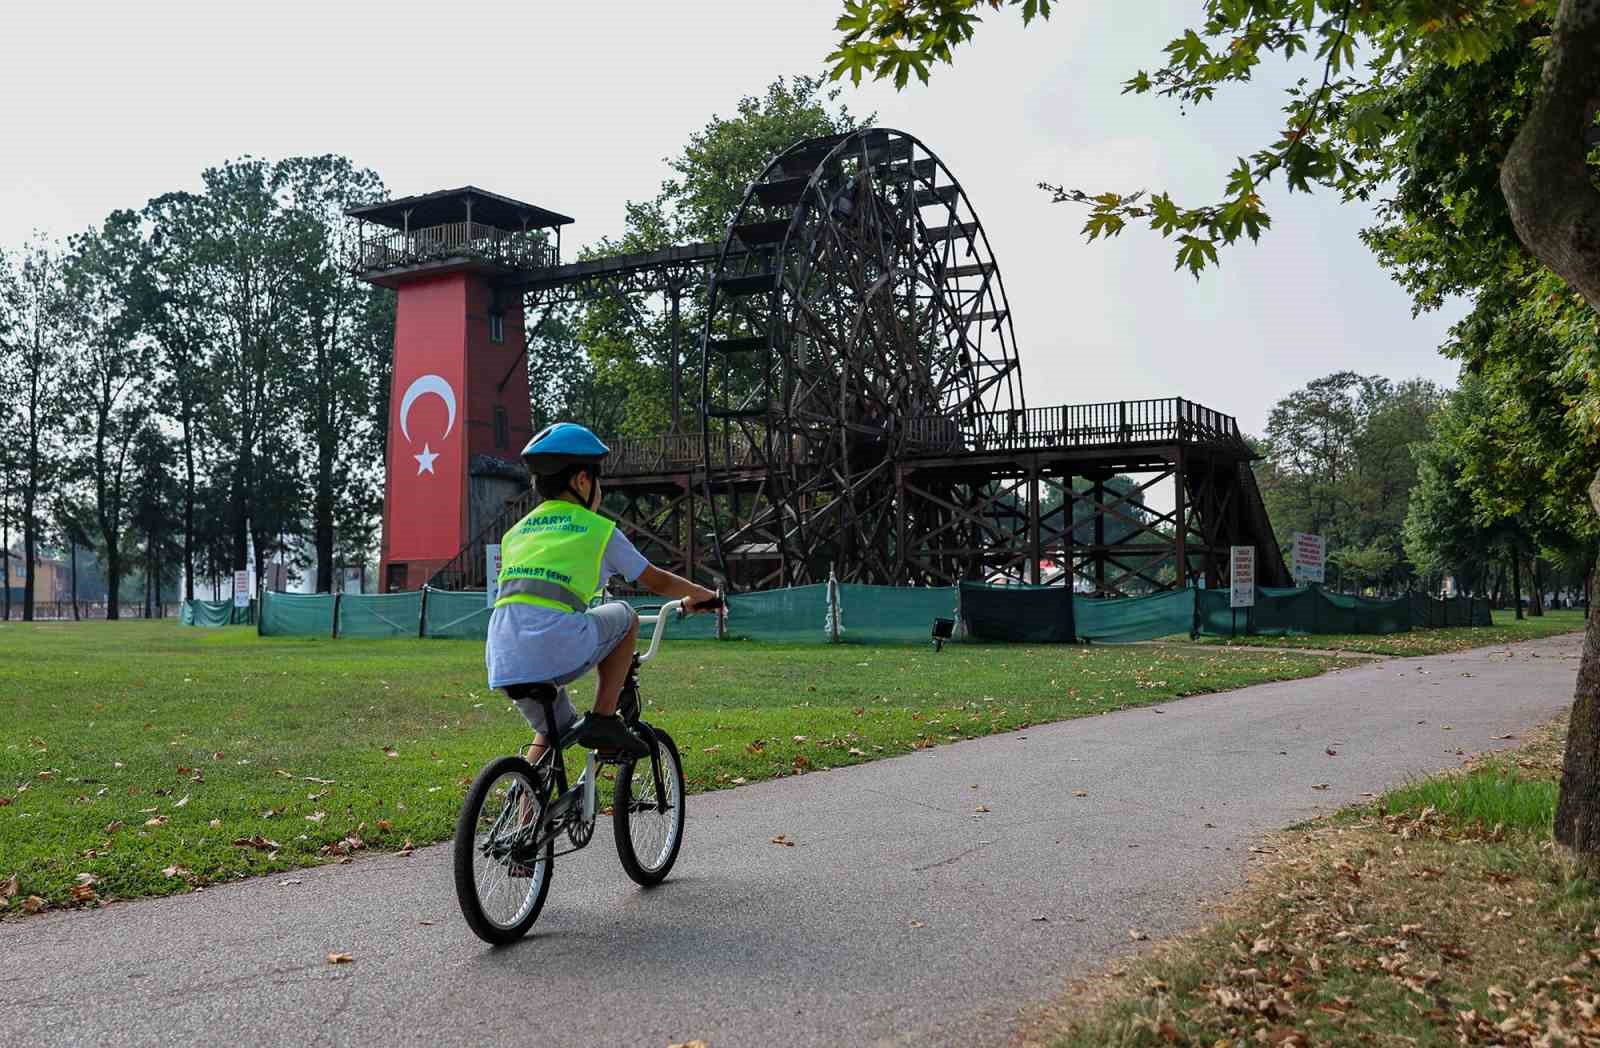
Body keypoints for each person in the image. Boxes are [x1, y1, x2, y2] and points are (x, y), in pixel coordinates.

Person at [486, 422, 718, 761]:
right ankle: (605, 719)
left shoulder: (516, 532)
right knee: (626, 617)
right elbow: (656, 581)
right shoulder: (597, 530)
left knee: (554, 732)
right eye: (598, 480)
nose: (600, 489)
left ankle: (525, 812)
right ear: (582, 480)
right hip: (554, 641)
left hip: (503, 654)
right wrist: (702, 594)